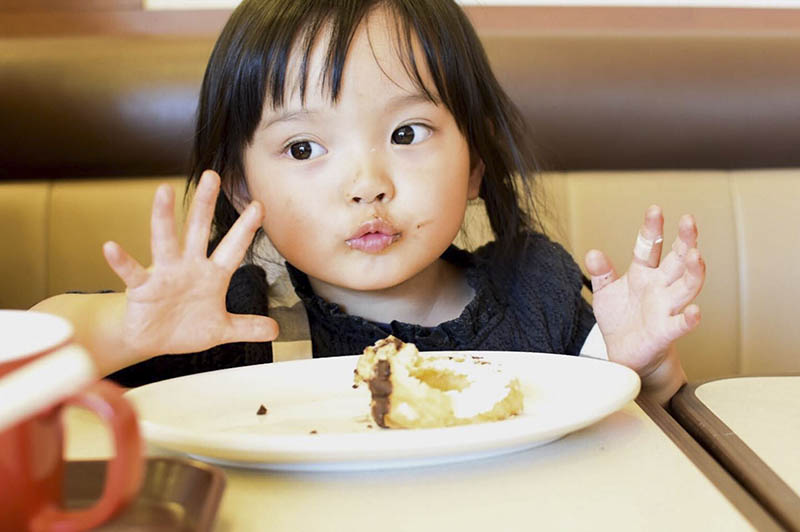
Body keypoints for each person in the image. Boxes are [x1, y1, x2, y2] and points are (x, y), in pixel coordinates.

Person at [32, 0, 705, 406]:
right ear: (242, 187)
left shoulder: (534, 295)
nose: (366, 184)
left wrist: (643, 363)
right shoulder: (228, 323)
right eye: (303, 149)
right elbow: (26, 357)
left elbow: (635, 423)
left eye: (406, 134)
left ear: (476, 161)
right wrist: (128, 331)